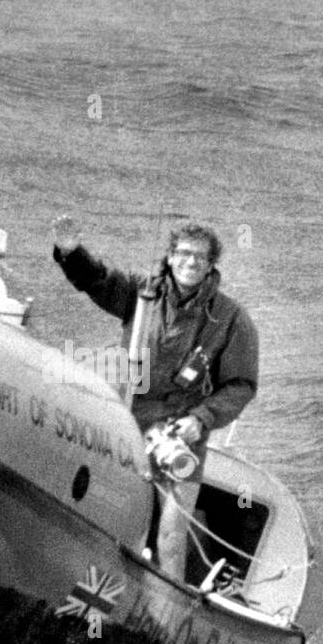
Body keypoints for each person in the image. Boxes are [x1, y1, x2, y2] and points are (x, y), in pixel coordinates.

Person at [51, 215, 258, 582]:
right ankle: (83, 586)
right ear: (170, 257)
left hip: (182, 431)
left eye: (200, 257)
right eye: (184, 253)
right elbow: (98, 280)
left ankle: (168, 612)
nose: (191, 262)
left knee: (172, 536)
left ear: (212, 265)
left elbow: (241, 385)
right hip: (127, 418)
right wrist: (71, 253)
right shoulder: (141, 294)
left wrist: (202, 419)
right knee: (107, 514)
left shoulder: (231, 320)